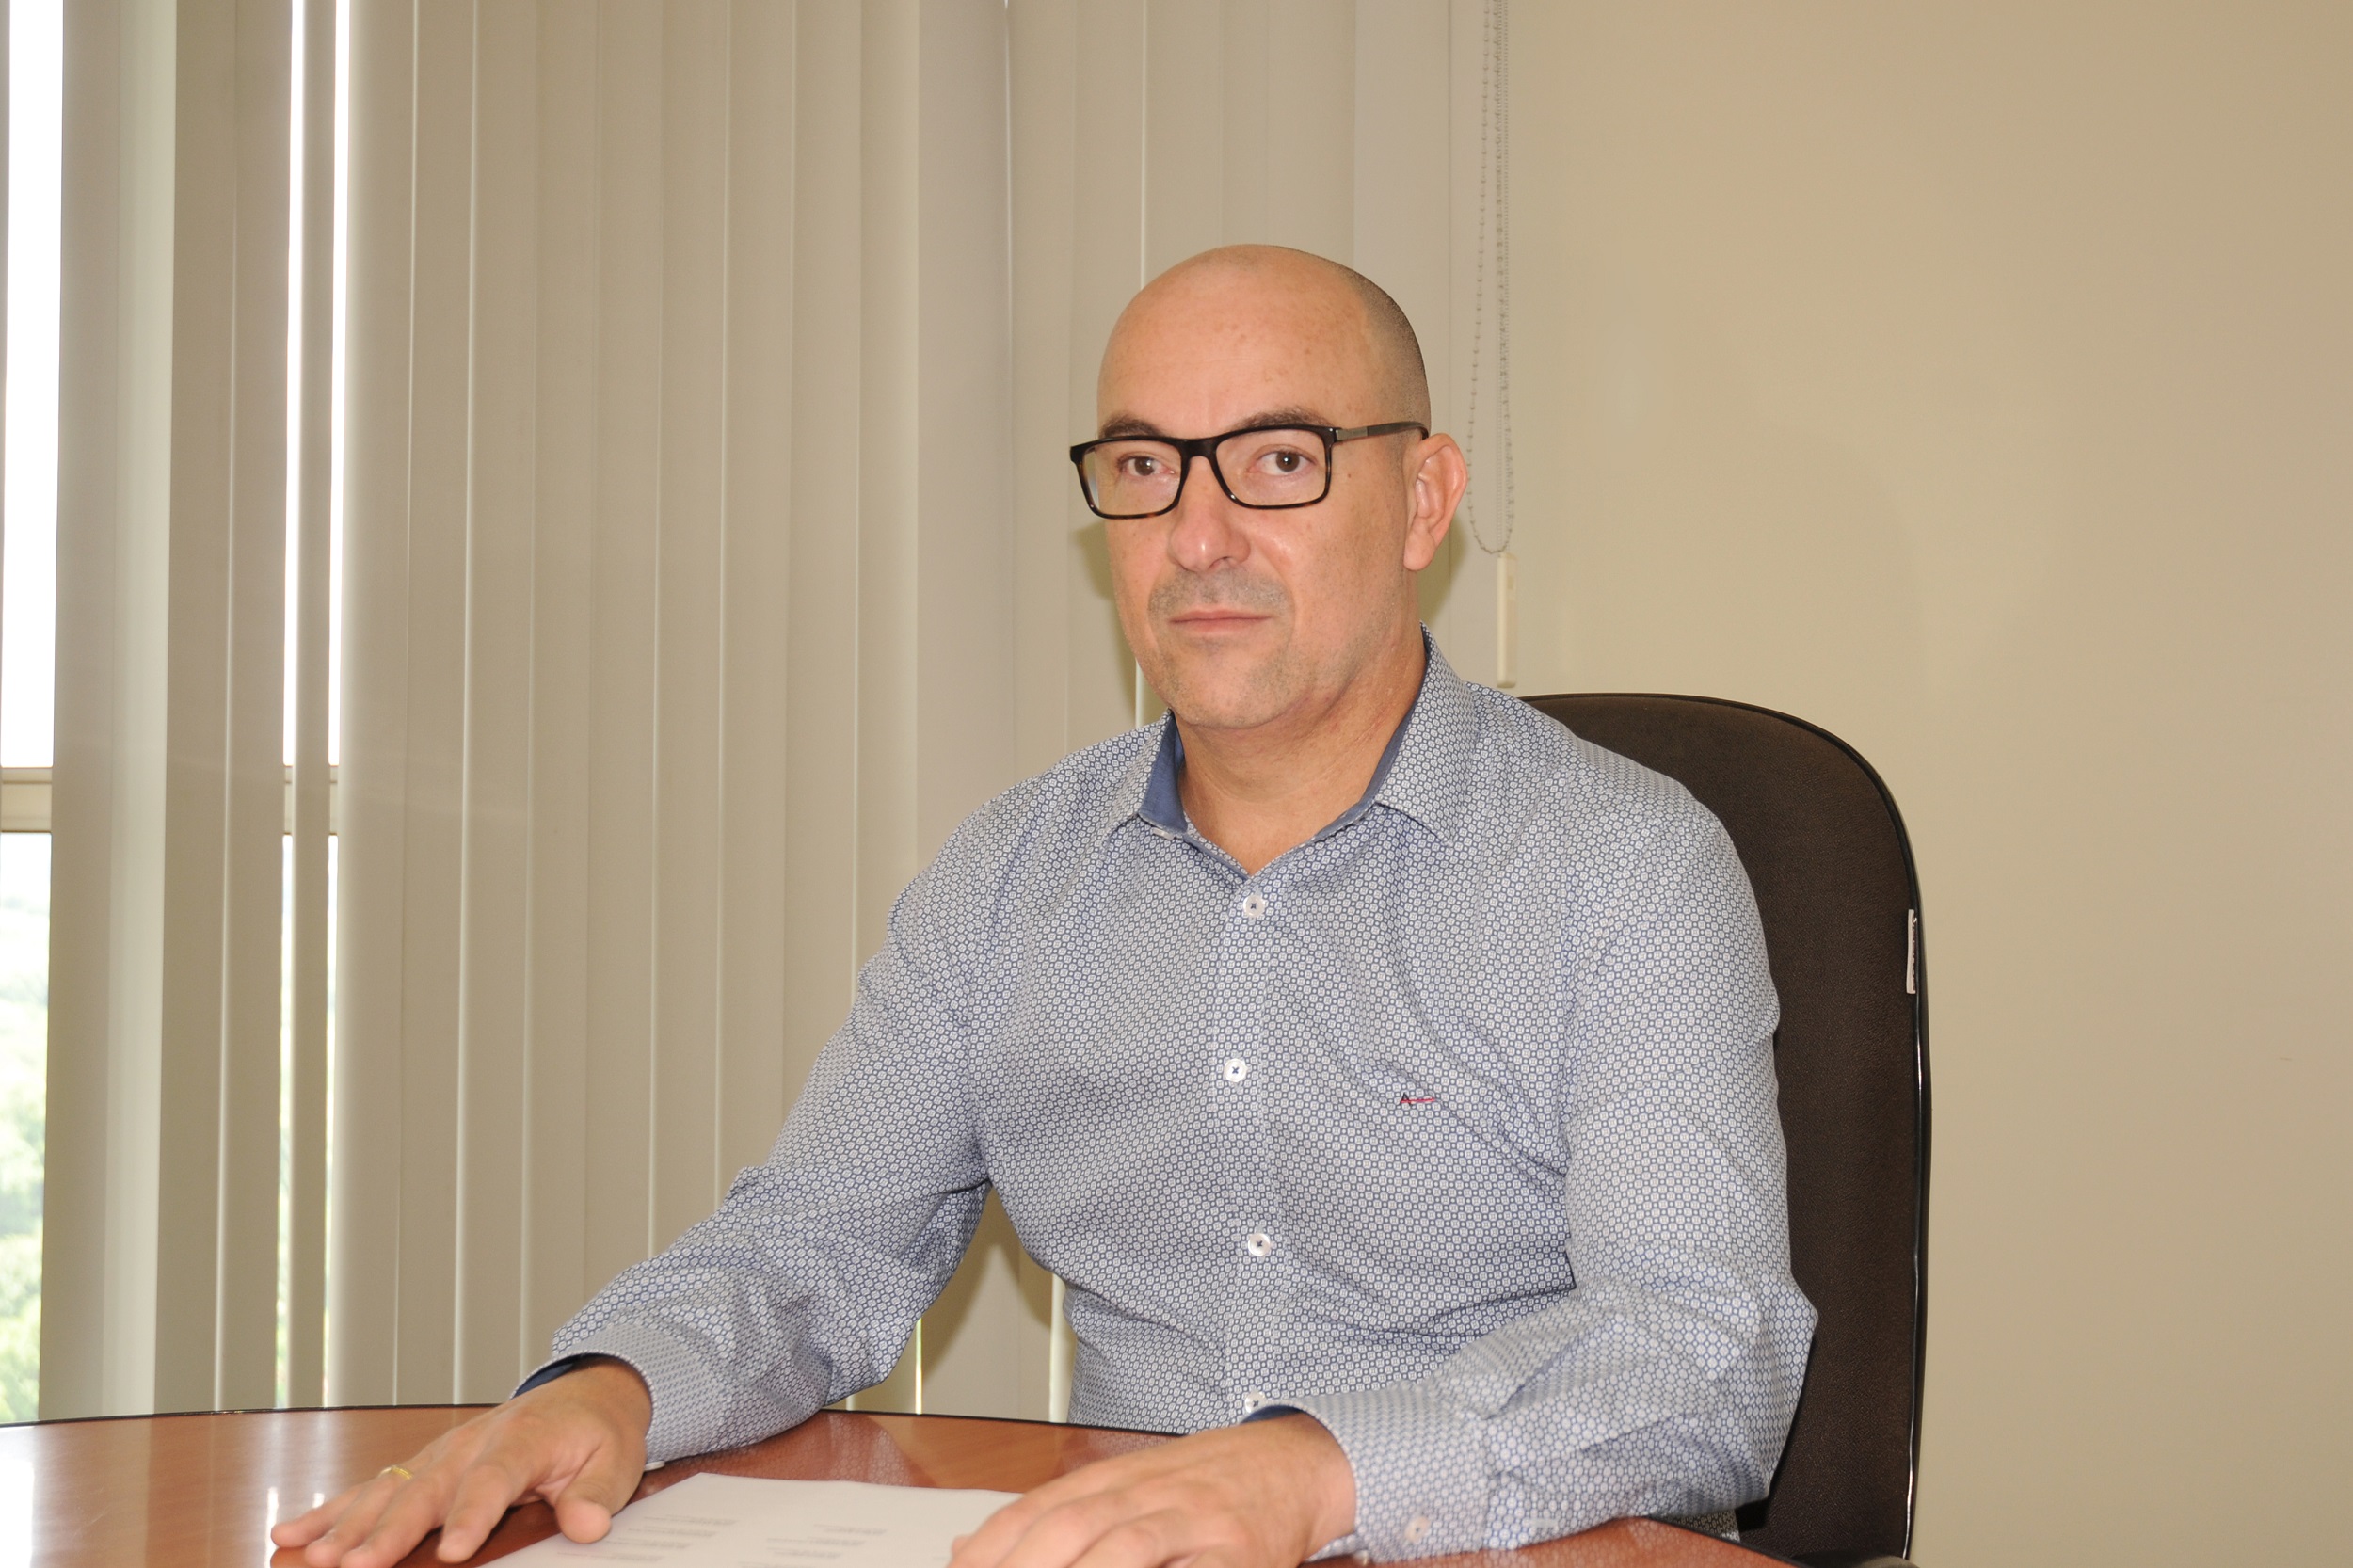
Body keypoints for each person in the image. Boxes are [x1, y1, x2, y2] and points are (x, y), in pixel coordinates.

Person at [275, 245, 1814, 1568]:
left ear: (1424, 499)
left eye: (1278, 460)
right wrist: (607, 1385)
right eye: (1145, 469)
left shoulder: (1625, 867)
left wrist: (1309, 1471)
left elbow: (1702, 1344)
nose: (1198, 537)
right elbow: (816, 1241)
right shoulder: (1013, 873)